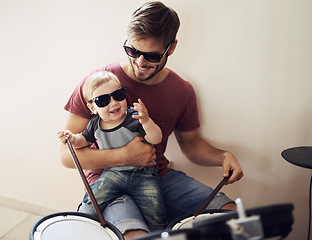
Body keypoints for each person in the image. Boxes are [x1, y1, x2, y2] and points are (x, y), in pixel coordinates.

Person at [60, 1, 244, 239]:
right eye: (133, 51)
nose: (140, 62)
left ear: (171, 47)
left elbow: (191, 144)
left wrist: (223, 157)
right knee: (136, 235)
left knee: (232, 217)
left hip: (157, 176)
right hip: (107, 180)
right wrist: (124, 155)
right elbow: (67, 156)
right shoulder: (95, 85)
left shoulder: (182, 90)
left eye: (152, 55)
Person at [58, 71, 167, 229]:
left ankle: (159, 232)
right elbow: (83, 141)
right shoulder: (95, 124)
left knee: (156, 213)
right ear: (92, 107)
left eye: (118, 95)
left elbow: (156, 138)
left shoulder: (134, 117)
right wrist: (73, 139)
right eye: (103, 100)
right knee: (93, 199)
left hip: (143, 174)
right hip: (113, 173)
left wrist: (146, 121)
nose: (114, 103)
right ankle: (81, 224)